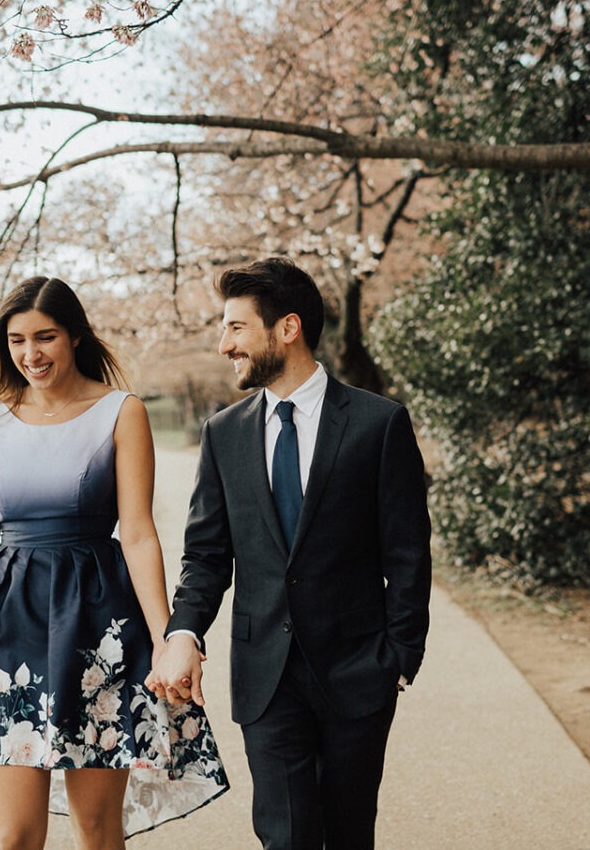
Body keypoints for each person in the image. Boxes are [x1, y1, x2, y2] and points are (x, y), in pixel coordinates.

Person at [0, 276, 228, 850]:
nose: (30, 354)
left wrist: (165, 637)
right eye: (16, 341)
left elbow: (137, 533)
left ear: (75, 337)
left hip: (97, 627)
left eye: (45, 337)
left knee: (97, 831)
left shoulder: (120, 411)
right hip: (2, 630)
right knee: (12, 838)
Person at [150, 257, 432, 850]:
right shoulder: (223, 434)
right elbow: (205, 556)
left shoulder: (379, 425)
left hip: (358, 670)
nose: (224, 344)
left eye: (235, 327)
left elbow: (406, 552)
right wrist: (183, 634)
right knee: (286, 837)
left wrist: (400, 656)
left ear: (287, 328)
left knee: (349, 834)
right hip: (265, 677)